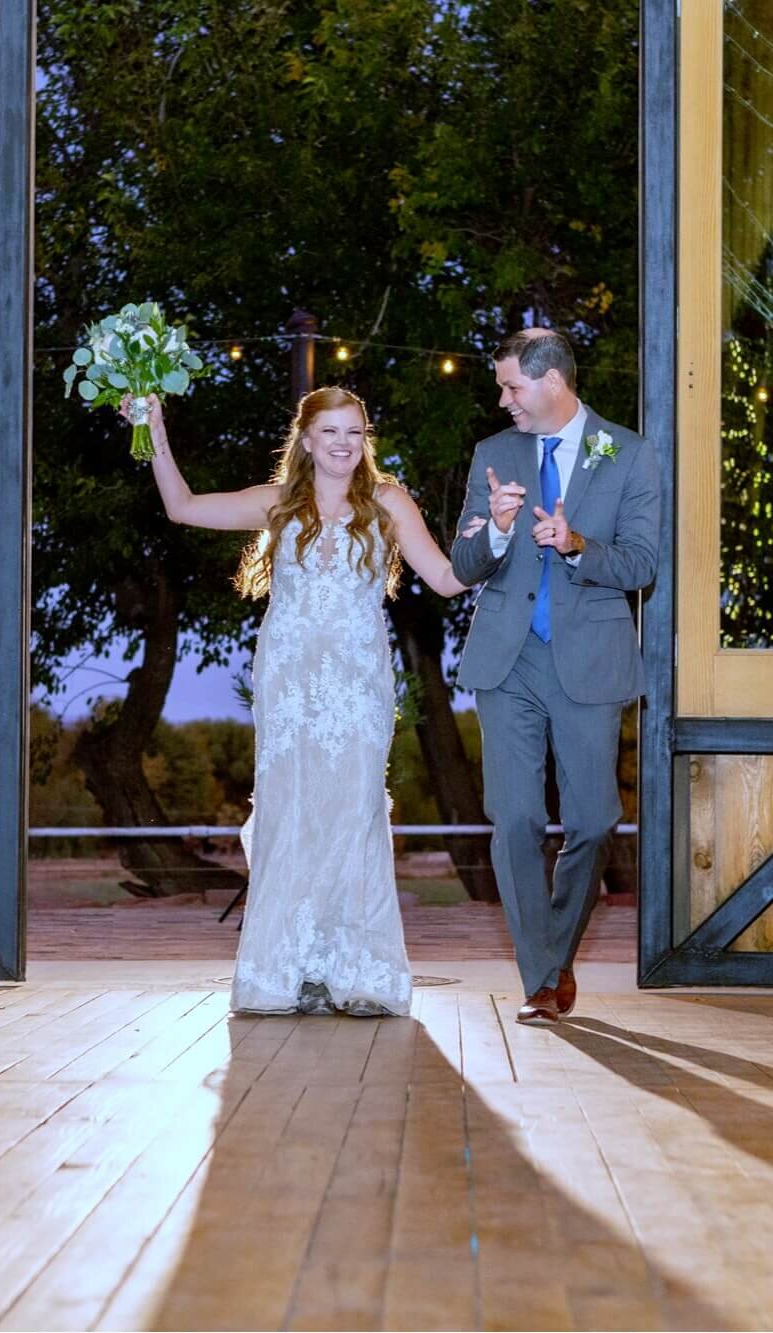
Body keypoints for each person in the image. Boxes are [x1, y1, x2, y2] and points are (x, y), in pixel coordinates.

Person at [136, 385, 482, 1016]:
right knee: (291, 815)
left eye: (354, 432)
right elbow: (182, 507)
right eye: (330, 432)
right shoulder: (277, 505)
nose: (343, 444)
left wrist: (498, 534)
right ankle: (287, 972)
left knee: (352, 816)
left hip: (357, 688)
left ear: (365, 440)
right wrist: (152, 428)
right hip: (289, 686)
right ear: (305, 439)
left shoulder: (388, 502)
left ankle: (358, 972)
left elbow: (446, 578)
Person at [450, 328, 656, 1026]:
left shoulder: (628, 454)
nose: (503, 399)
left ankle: (555, 953)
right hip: (507, 661)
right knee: (514, 820)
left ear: (553, 383)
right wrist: (499, 531)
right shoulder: (493, 454)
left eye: (512, 386)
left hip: (588, 662)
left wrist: (575, 545)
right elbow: (465, 561)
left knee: (595, 821)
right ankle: (541, 978)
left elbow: (641, 565)